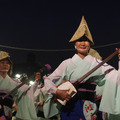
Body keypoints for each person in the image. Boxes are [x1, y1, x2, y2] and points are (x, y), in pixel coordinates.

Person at [44, 16, 120, 120]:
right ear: (74, 44)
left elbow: (117, 77)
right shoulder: (67, 63)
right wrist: (57, 92)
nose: (83, 43)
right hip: (70, 108)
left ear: (90, 44)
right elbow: (48, 80)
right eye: (79, 40)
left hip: (90, 108)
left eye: (86, 40)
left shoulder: (98, 63)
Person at [0, 51, 38, 120]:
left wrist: (36, 81)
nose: (5, 65)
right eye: (2, 62)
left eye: (7, 63)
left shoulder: (15, 81)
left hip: (7, 112)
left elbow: (27, 90)